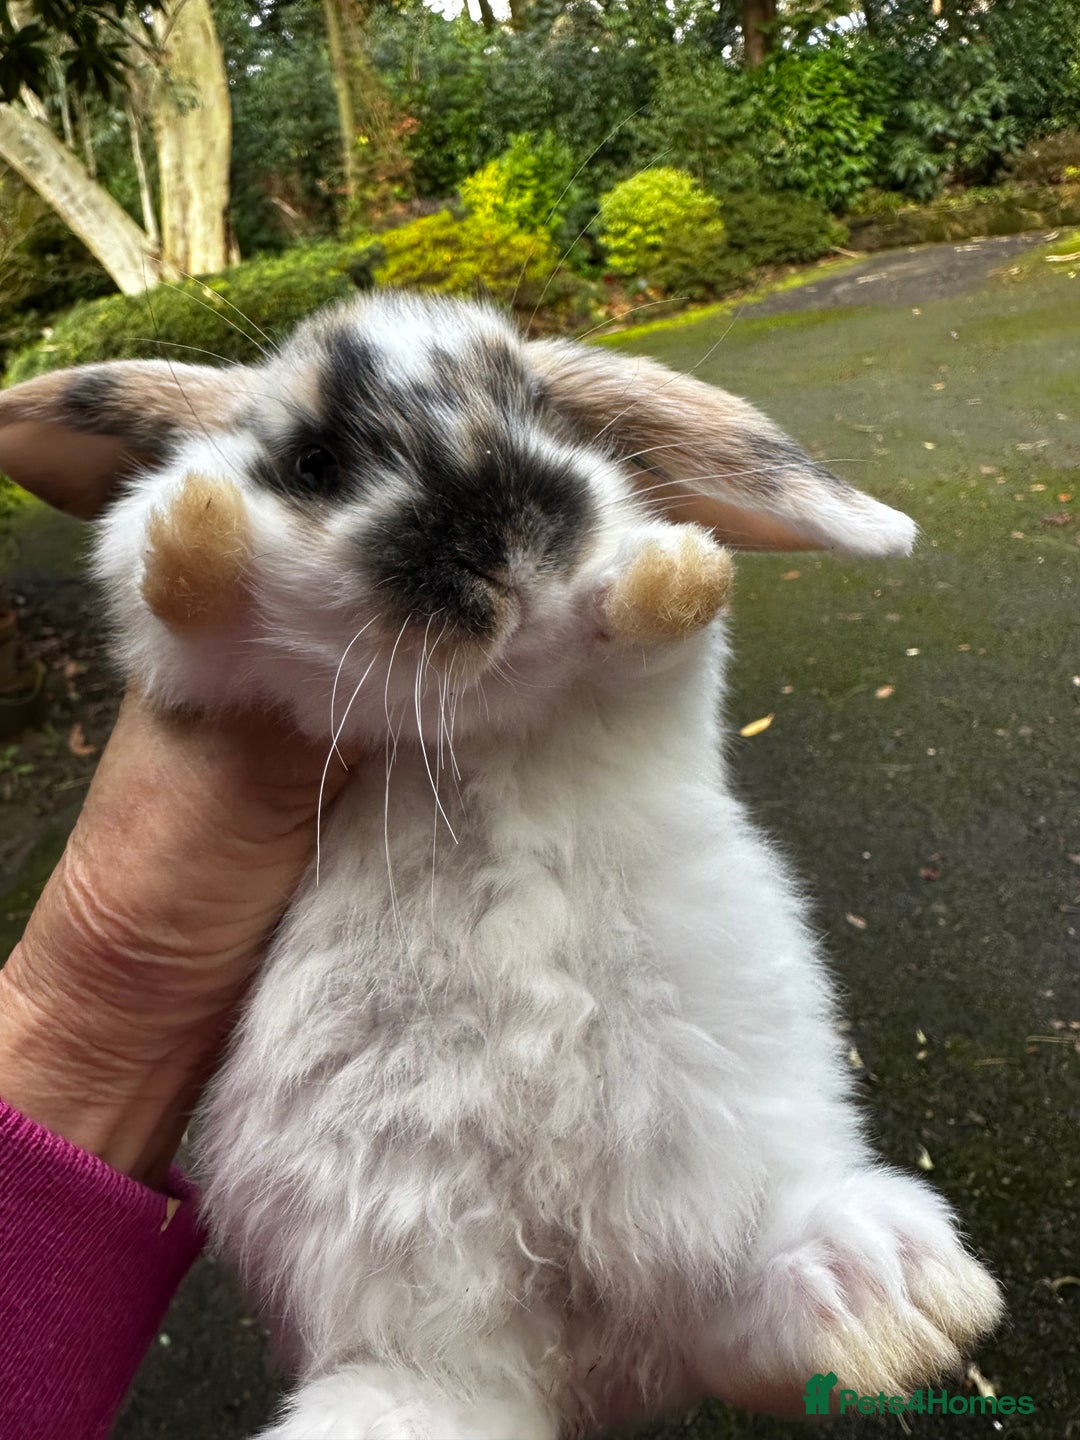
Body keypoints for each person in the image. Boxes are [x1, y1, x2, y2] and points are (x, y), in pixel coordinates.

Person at [0, 468, 798, 1439]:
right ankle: (419, 1376)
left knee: (673, 992)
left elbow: (654, 714)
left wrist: (640, 620)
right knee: (347, 1126)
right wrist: (200, 587)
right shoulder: (249, 530)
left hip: (588, 909)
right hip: (368, 997)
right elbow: (170, 616)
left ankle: (758, 1262)